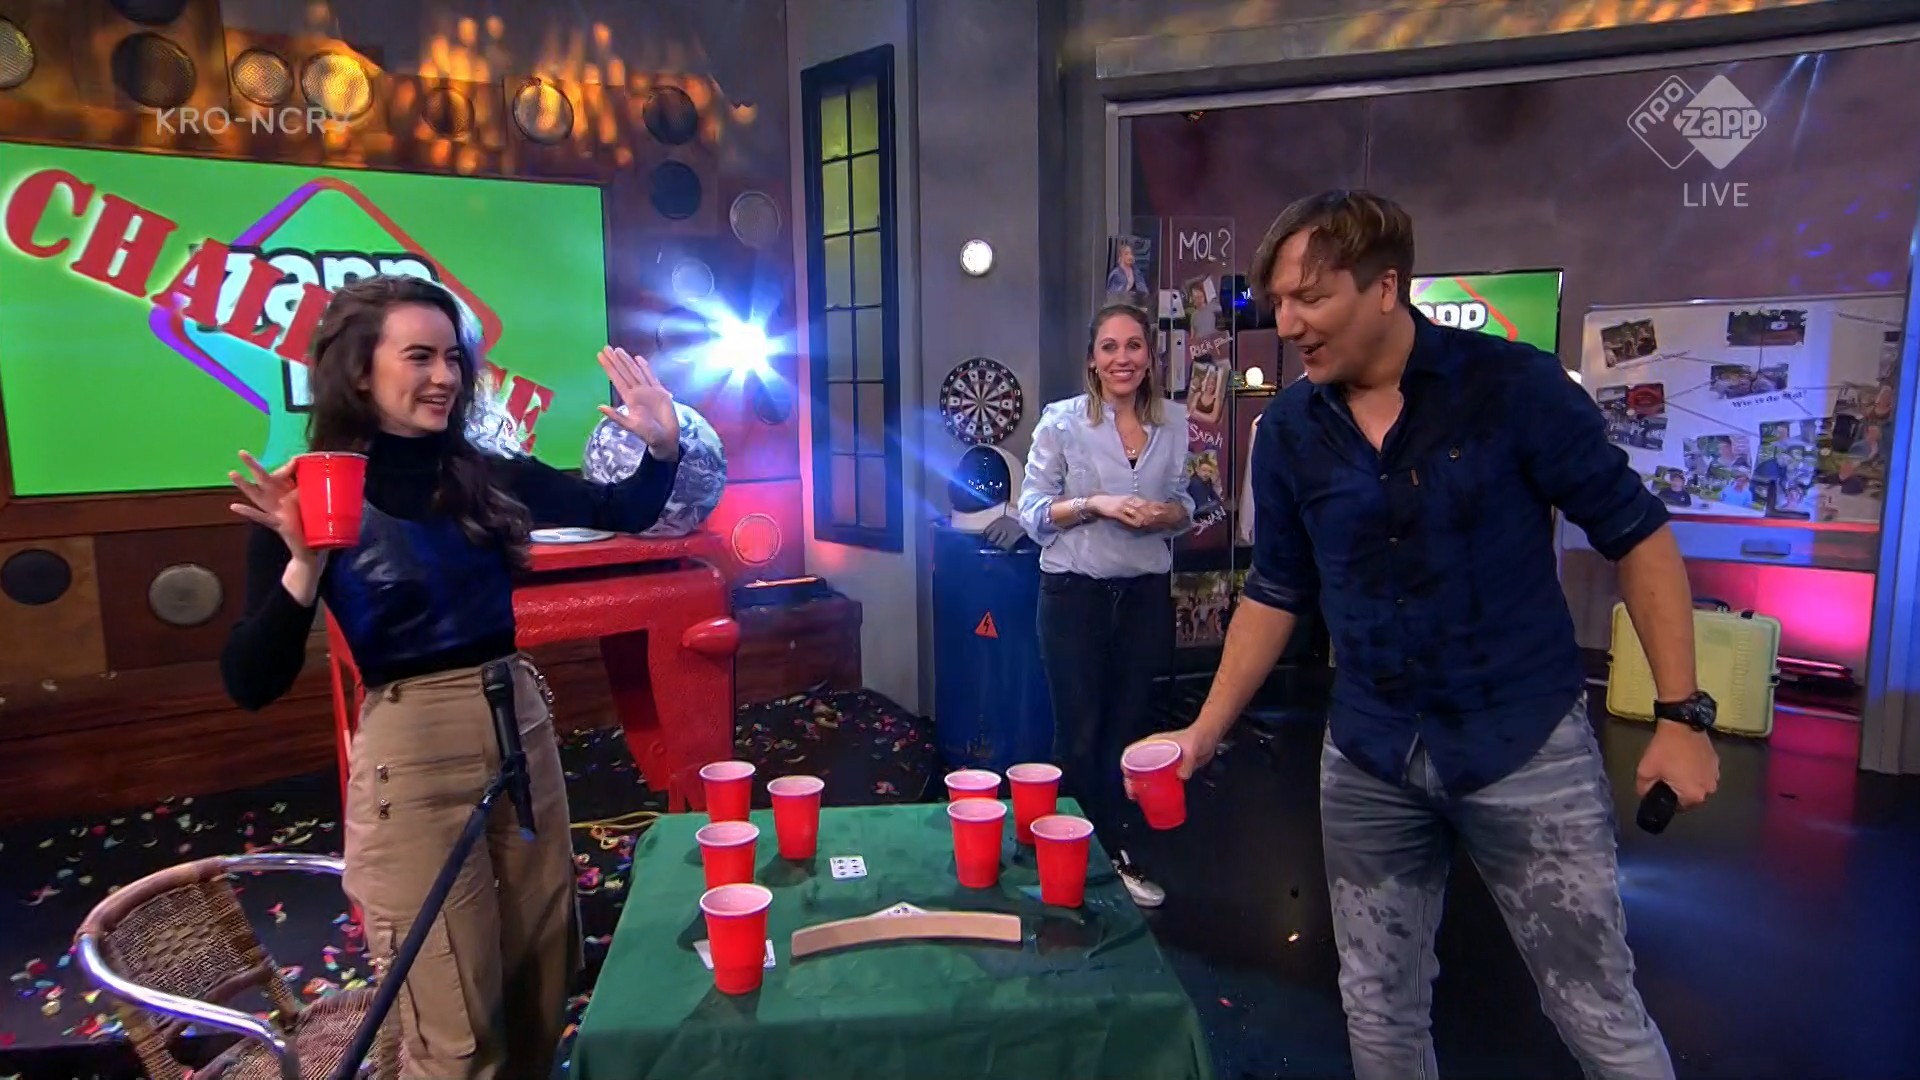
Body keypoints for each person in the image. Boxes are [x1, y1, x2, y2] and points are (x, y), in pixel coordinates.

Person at [1148, 191, 1720, 1079]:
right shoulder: (1291, 431)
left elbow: (1637, 537)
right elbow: (1275, 591)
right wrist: (1204, 731)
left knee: (1595, 1008)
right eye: (1280, 301)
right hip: (1369, 756)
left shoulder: (1514, 388)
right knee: (1378, 1008)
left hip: (1523, 747)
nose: (1287, 324)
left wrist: (1682, 716)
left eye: (1311, 298)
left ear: (1386, 287)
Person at [219, 275, 684, 1078]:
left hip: (519, 727)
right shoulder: (306, 495)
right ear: (359, 369)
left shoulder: (481, 471)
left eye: (454, 359)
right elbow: (250, 681)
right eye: (419, 357)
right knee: (455, 1021)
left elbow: (621, 510)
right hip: (413, 752)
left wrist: (663, 448)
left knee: (542, 974)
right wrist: (304, 563)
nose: (444, 376)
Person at [1017, 303, 1196, 907]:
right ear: (1092, 360)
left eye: (1134, 346)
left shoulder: (1175, 422)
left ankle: (1117, 853)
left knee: (1129, 732)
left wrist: (1168, 514)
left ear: (1150, 355)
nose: (1123, 358)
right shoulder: (1062, 421)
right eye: (1110, 347)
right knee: (1080, 733)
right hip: (1075, 597)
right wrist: (1094, 504)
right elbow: (1032, 513)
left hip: (1144, 599)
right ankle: (1065, 859)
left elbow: (1187, 505)